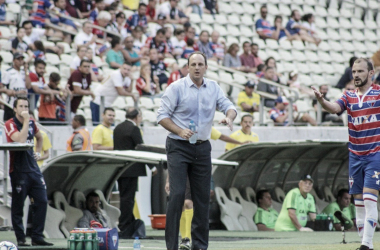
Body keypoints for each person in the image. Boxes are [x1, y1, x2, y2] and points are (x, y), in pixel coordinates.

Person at [157, 51, 237, 250]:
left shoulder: (214, 87)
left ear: (206, 67)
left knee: (202, 197)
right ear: (187, 67)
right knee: (176, 196)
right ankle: (172, 246)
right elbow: (161, 117)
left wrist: (229, 117)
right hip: (178, 146)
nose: (197, 67)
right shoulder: (176, 88)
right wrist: (179, 130)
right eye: (193, 64)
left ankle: (200, 246)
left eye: (201, 64)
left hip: (202, 147)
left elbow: (229, 106)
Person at [311, 58, 380, 250]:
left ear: (371, 73)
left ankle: (367, 245)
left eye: (360, 71)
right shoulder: (348, 96)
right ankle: (364, 242)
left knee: (368, 199)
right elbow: (334, 108)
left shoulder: (378, 94)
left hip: (375, 154)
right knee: (358, 203)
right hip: (355, 156)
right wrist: (321, 100)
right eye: (354, 71)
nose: (356, 75)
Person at [4, 97, 53, 246]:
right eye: (21, 106)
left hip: (33, 169)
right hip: (18, 170)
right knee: (18, 205)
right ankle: (21, 238)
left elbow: (39, 137)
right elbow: (20, 139)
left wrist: (38, 152)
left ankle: (37, 237)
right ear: (15, 109)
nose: (24, 108)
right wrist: (26, 121)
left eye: (26, 105)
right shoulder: (10, 124)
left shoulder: (32, 122)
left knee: (42, 201)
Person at [114, 107, 149, 239]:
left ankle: (126, 223)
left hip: (120, 168)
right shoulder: (134, 129)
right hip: (132, 169)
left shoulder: (117, 128)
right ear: (137, 117)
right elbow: (141, 147)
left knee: (124, 198)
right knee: (128, 199)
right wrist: (152, 166)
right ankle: (125, 226)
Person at [1, 53, 28, 121]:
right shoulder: (8, 72)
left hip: (22, 104)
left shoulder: (24, 72)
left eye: (22, 59)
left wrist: (26, 71)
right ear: (14, 60)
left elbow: (28, 86)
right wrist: (11, 92)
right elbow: (1, 87)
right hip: (11, 104)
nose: (20, 61)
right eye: (18, 59)